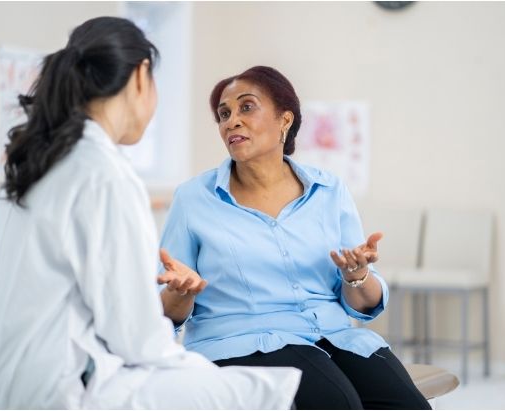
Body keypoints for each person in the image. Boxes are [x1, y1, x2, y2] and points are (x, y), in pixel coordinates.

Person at [0, 20, 300, 409]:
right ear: (140, 75)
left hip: (7, 388)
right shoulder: (104, 173)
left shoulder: (36, 164)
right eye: (224, 112)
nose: (231, 120)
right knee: (267, 392)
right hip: (64, 392)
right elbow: (138, 338)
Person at [158, 66, 431, 410]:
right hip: (241, 343)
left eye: (246, 107)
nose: (231, 122)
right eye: (223, 114)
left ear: (284, 120)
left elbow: (363, 305)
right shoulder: (194, 198)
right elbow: (166, 312)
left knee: (406, 405)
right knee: (338, 403)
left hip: (333, 337)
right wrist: (178, 292)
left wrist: (356, 276)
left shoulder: (329, 190)